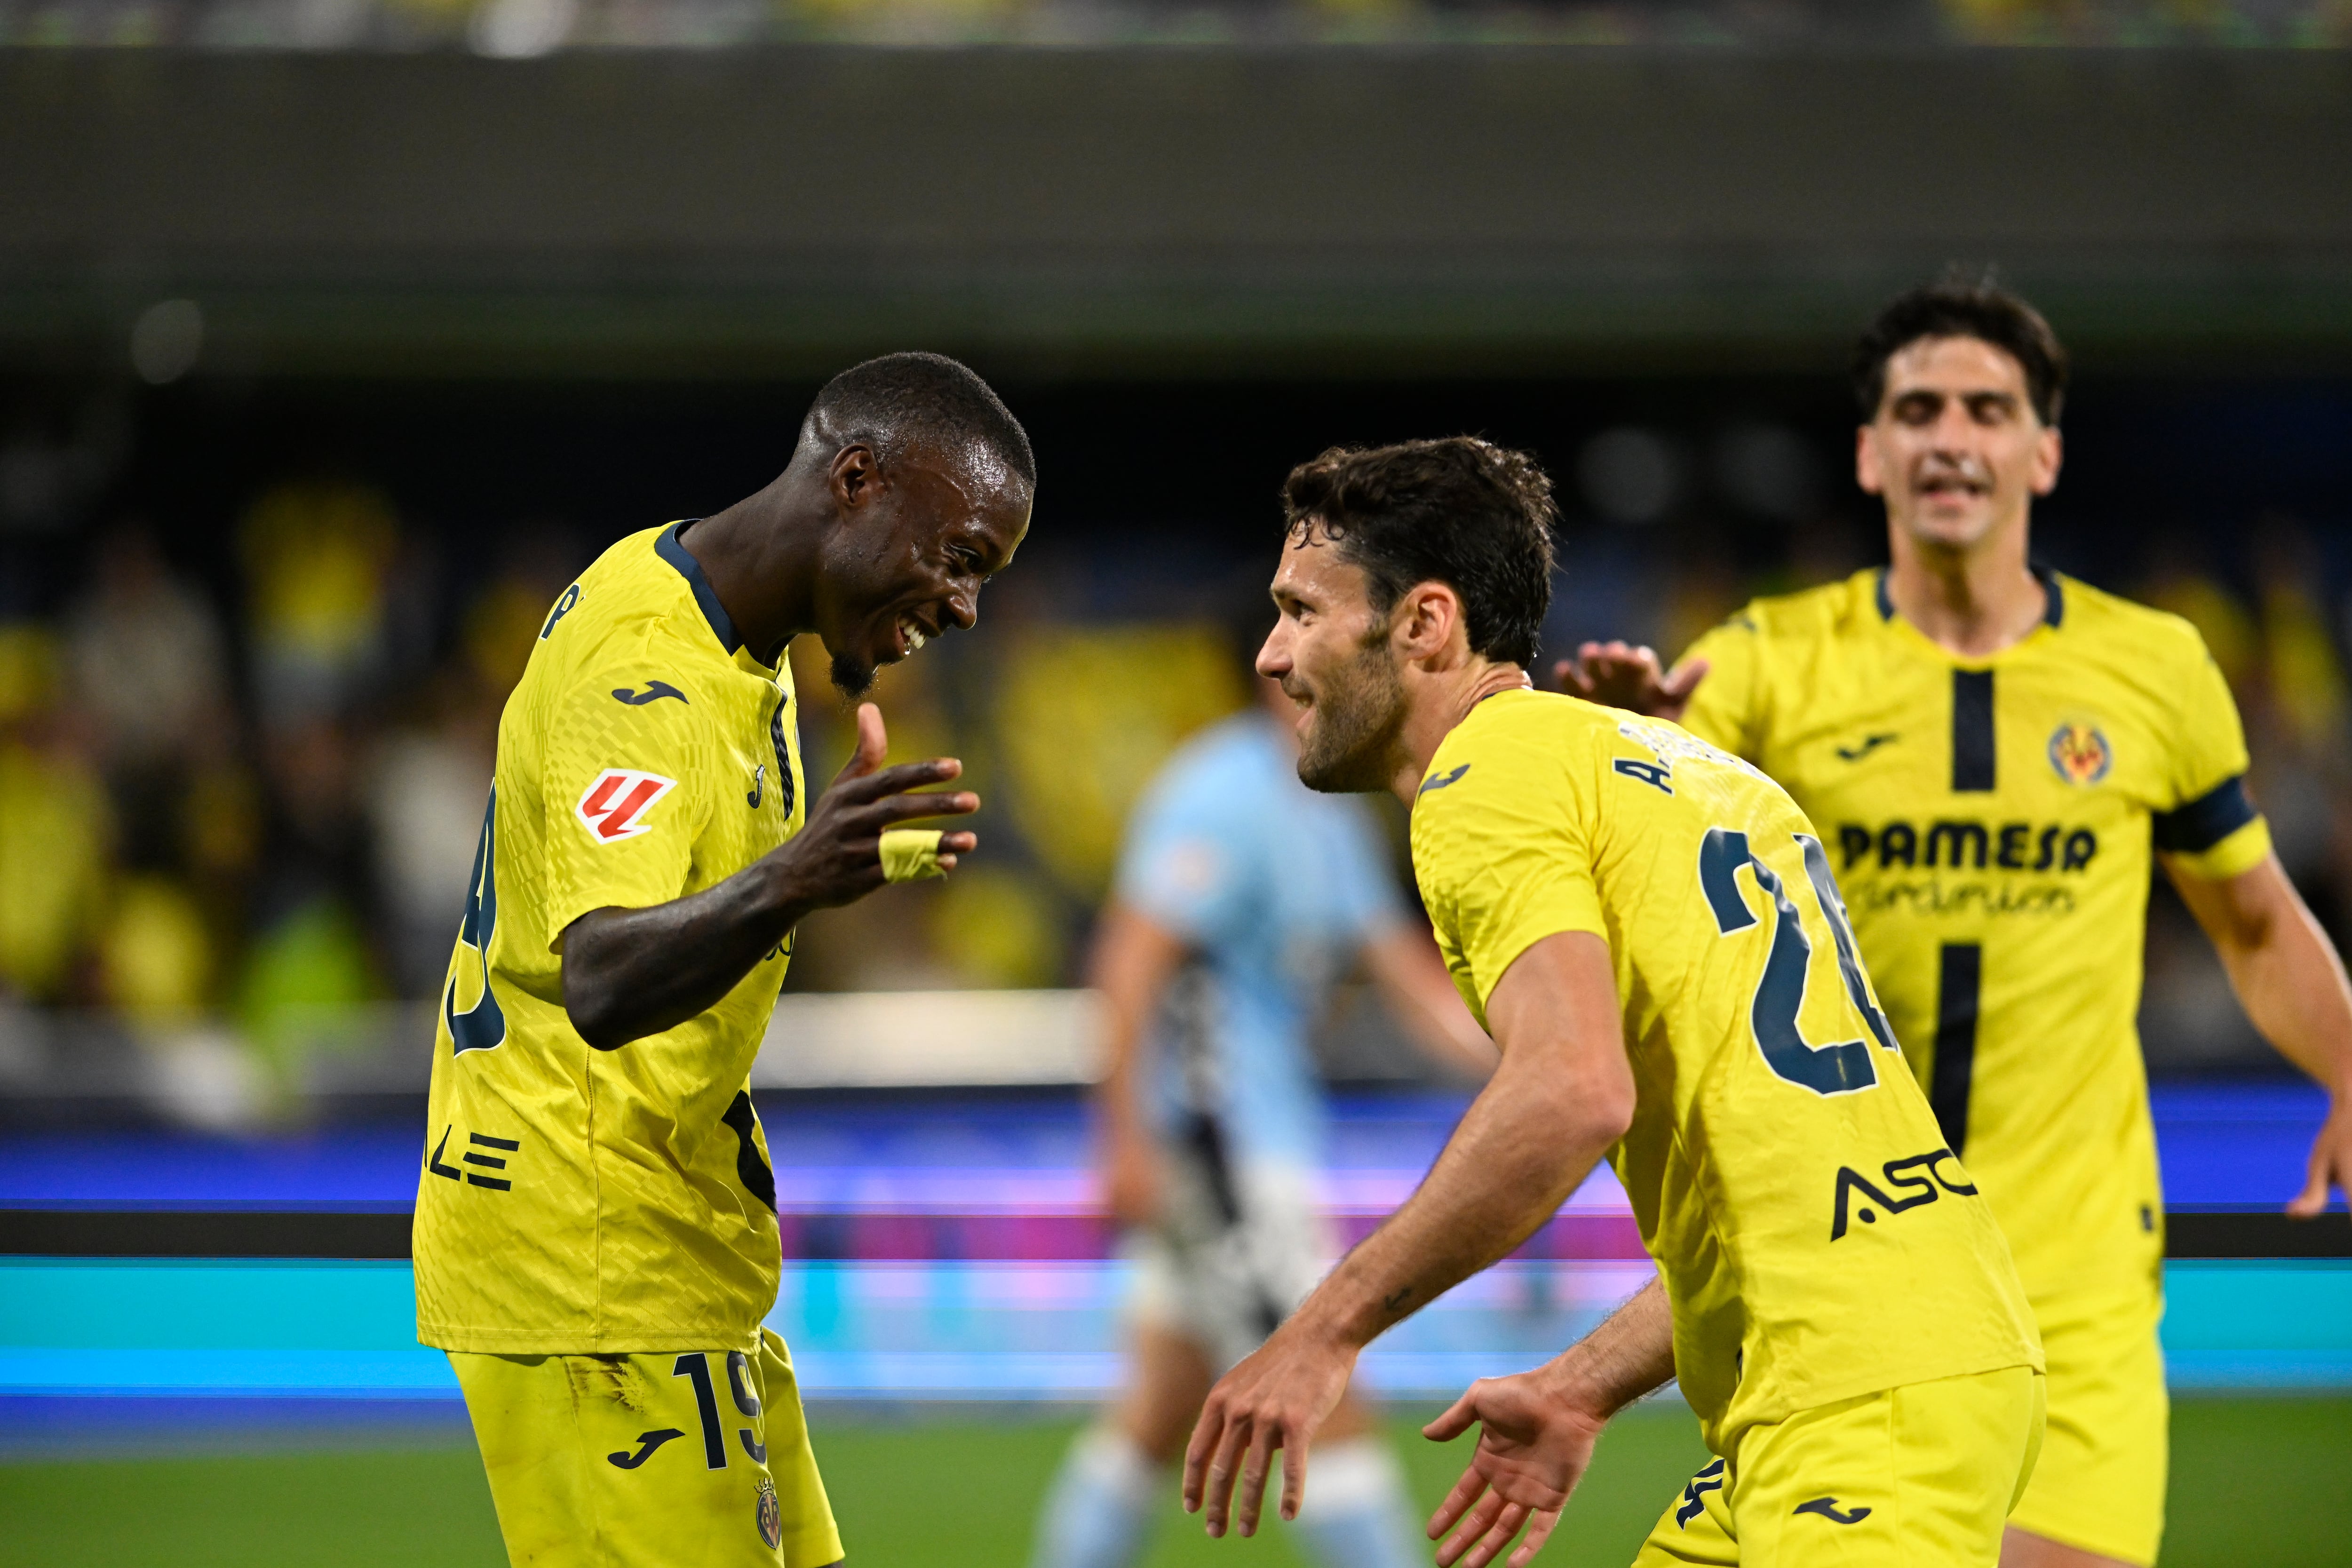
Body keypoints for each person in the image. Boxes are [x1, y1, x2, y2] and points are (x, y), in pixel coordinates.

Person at [1560, 280, 2352, 1568]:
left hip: (2078, 1278)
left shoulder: (2154, 667)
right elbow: (1635, 856)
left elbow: (2255, 920)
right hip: (1852, 1272)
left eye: (1989, 409)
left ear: (2041, 449)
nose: (1950, 437)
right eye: (1916, 409)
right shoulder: (1764, 661)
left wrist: (2349, 1063)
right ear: (1872, 452)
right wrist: (1635, 744)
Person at [1183, 436, 2046, 1568]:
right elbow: (1779, 1180)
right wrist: (1580, 1386)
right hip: (1867, 1365)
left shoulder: (1479, 783)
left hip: (1858, 1404)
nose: (1271, 654)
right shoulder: (1704, 774)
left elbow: (1572, 1088)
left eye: (1301, 611)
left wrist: (1320, 1331)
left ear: (1424, 624)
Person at [412, 352, 1034, 1568]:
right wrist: (802, 870)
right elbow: (600, 975)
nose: (966, 606)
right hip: (594, 1269)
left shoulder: (720, 628)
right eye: (961, 556)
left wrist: (828, 865)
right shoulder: (648, 678)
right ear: (857, 478)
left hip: (675, 1252)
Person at [1030, 650, 1496, 1568]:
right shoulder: (1219, 789)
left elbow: (1402, 968)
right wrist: (1121, 1136)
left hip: (1240, 1146)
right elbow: (1128, 962)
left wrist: (1530, 1059)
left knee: (1156, 1412)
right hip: (1219, 1148)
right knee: (1322, 1394)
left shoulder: (1325, 808)